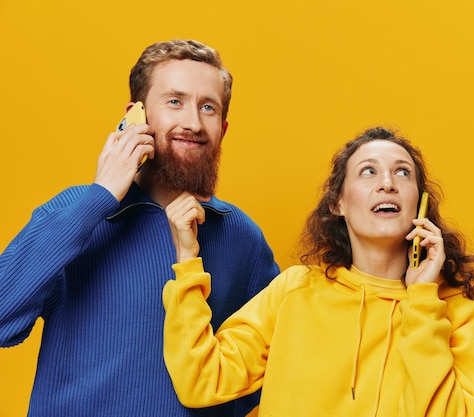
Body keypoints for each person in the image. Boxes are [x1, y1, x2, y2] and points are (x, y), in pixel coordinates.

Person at [0, 39, 279, 417]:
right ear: (137, 115)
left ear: (223, 129)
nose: (193, 123)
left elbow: (271, 363)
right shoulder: (78, 213)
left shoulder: (241, 237)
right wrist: (99, 197)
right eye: (175, 101)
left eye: (207, 107)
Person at [162, 126, 474, 417]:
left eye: (403, 173)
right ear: (339, 204)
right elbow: (201, 380)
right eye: (368, 172)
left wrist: (422, 301)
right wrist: (188, 261)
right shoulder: (295, 291)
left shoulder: (457, 311)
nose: (388, 183)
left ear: (420, 204)